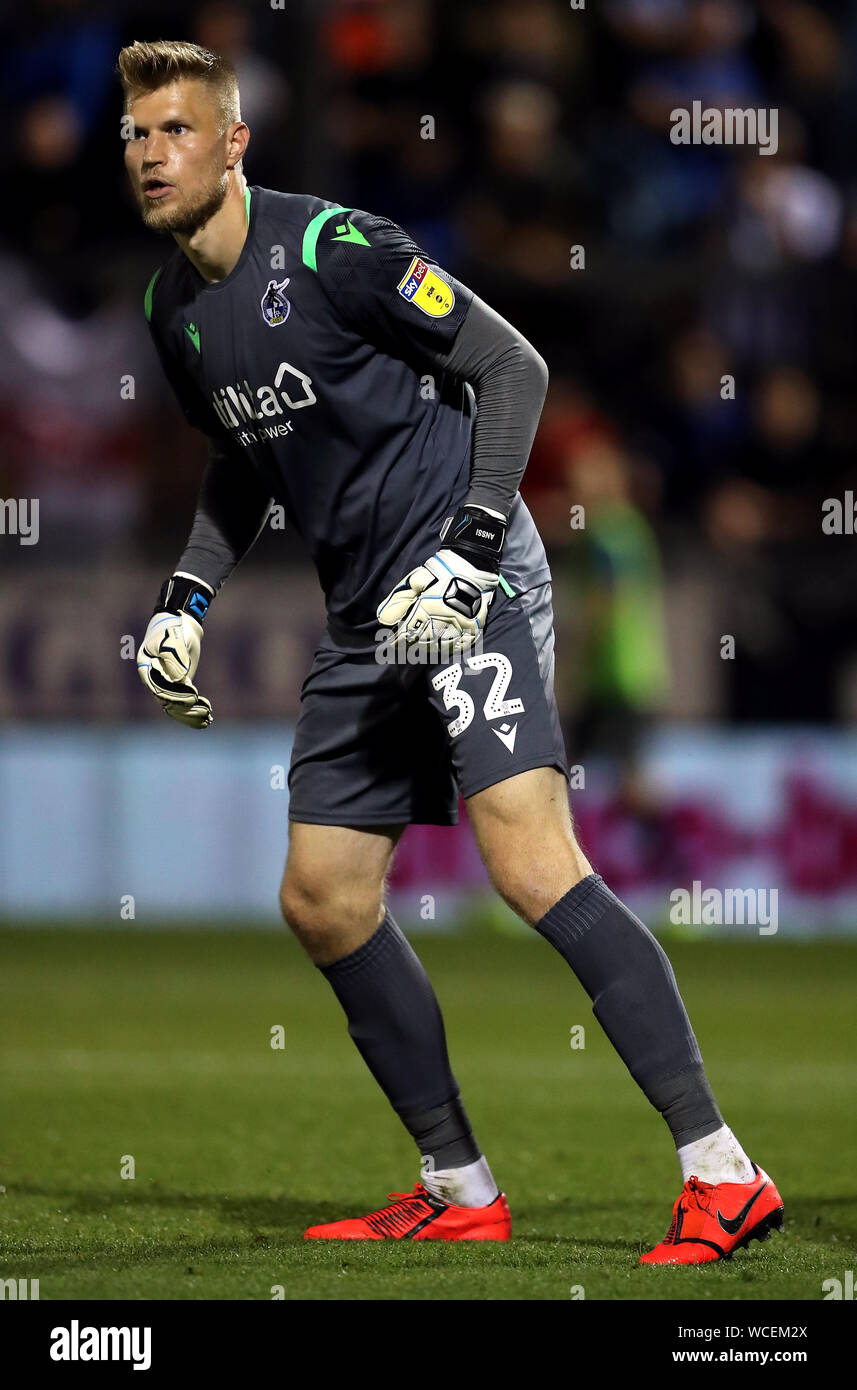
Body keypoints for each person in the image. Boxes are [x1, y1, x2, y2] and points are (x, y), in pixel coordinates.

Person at [122, 38, 782, 1262]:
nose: (151, 155)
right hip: (362, 613)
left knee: (531, 867)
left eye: (173, 130)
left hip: (464, 574)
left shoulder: (333, 250)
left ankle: (720, 1169)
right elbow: (236, 459)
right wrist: (187, 597)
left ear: (232, 142)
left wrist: (474, 546)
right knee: (321, 898)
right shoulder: (172, 310)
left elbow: (509, 366)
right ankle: (459, 1184)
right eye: (134, 137)